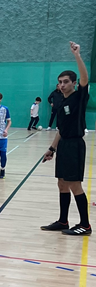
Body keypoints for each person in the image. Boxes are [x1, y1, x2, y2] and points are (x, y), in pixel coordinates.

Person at [41, 41, 91, 236]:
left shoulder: (79, 97)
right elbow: (61, 129)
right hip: (63, 145)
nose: (62, 85)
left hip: (75, 145)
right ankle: (63, 221)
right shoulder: (61, 101)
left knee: (74, 185)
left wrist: (77, 55)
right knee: (62, 183)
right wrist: (52, 148)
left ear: (74, 83)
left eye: (66, 82)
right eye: (60, 82)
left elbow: (85, 78)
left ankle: (85, 225)